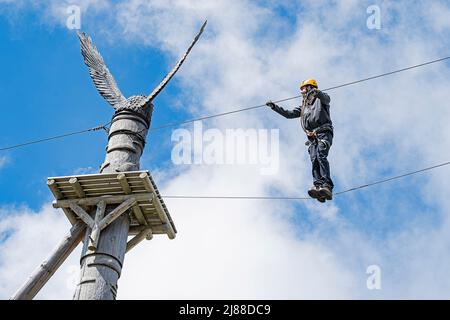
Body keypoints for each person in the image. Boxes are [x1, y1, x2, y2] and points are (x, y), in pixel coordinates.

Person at [267, 79, 334, 202]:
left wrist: (316, 92)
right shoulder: (304, 107)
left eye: (304, 88)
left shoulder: (321, 100)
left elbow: (327, 98)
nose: (302, 91)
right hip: (312, 137)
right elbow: (289, 114)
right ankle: (318, 186)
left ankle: (327, 186)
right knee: (314, 159)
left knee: (321, 155)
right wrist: (274, 107)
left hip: (323, 132)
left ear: (310, 87)